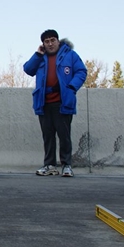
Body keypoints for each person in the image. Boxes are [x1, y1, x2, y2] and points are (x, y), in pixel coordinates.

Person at [23, 29, 87, 178]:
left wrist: (71, 87)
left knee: (64, 135)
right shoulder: (40, 57)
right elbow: (28, 69)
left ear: (58, 41)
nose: (50, 43)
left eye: (53, 40)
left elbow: (81, 72)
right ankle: (50, 165)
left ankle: (66, 165)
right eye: (46, 41)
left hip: (63, 102)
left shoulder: (70, 55)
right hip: (43, 102)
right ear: (43, 44)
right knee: (48, 136)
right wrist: (37, 54)